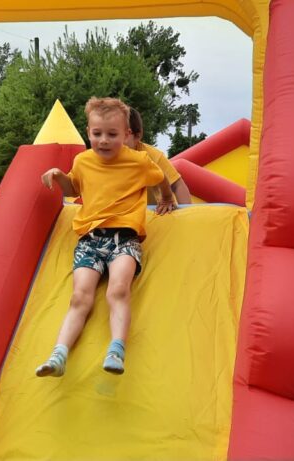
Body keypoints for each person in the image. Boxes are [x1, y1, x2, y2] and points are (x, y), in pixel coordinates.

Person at [36, 97, 176, 377]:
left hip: (124, 239)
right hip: (90, 240)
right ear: (88, 132)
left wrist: (166, 197)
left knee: (118, 290)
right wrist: (59, 176)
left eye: (112, 134)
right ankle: (59, 355)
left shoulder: (138, 161)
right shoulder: (83, 161)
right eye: (97, 133)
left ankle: (116, 350)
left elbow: (160, 176)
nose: (103, 140)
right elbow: (73, 189)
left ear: (126, 134)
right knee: (79, 297)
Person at [126, 108, 192, 205]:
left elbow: (177, 185)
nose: (106, 140)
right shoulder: (106, 157)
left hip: (152, 209)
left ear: (137, 136)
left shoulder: (151, 156)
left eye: (114, 134)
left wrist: (186, 211)